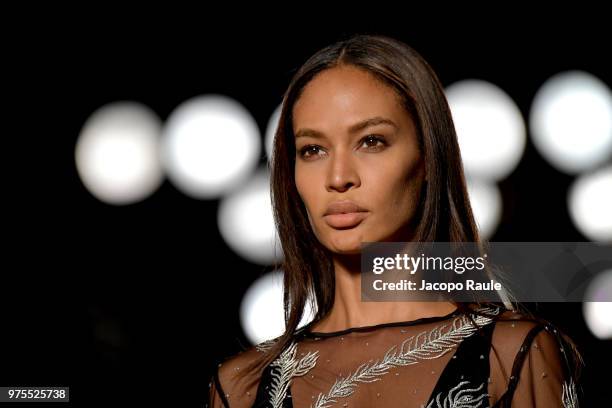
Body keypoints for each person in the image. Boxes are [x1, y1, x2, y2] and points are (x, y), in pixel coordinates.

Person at [207, 34, 582, 407]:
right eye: (313, 150)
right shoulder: (243, 387)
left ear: (427, 160)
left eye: (371, 141)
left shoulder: (512, 355)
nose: (338, 177)